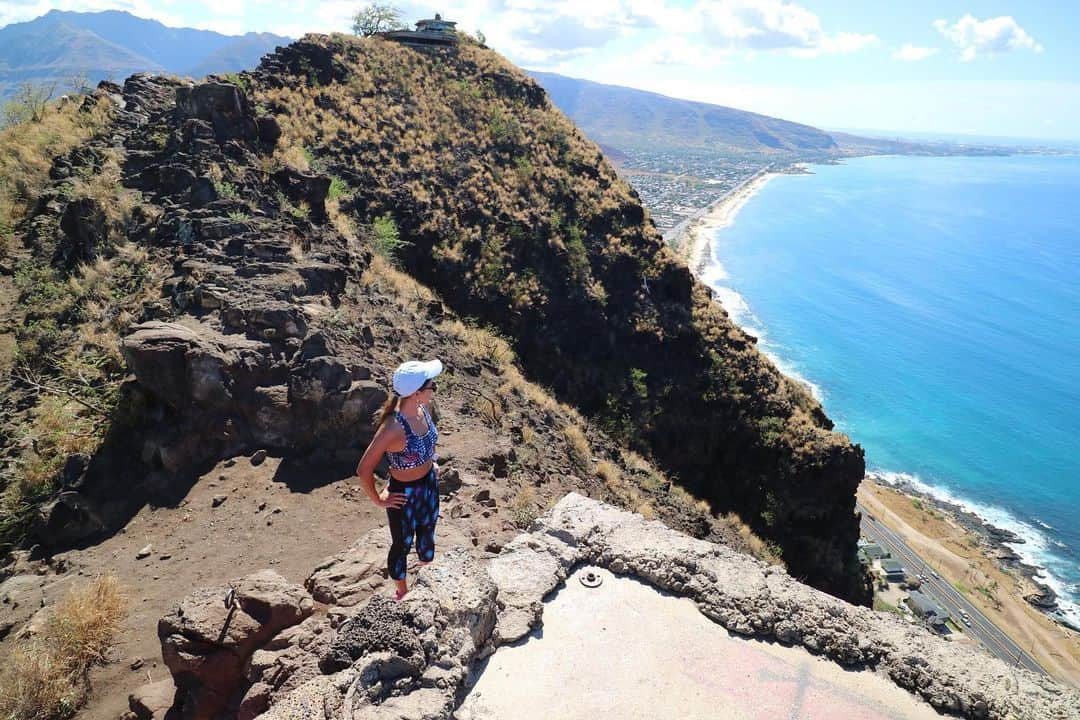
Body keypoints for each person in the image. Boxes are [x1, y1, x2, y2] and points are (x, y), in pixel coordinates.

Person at [356, 359, 443, 600]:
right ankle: (402, 592)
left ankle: (428, 577)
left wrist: (432, 462)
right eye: (431, 386)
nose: (434, 389)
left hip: (428, 485)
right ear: (416, 393)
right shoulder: (394, 427)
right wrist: (379, 499)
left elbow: (428, 441)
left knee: (428, 532)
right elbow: (364, 469)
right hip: (403, 495)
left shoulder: (423, 409)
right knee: (402, 545)